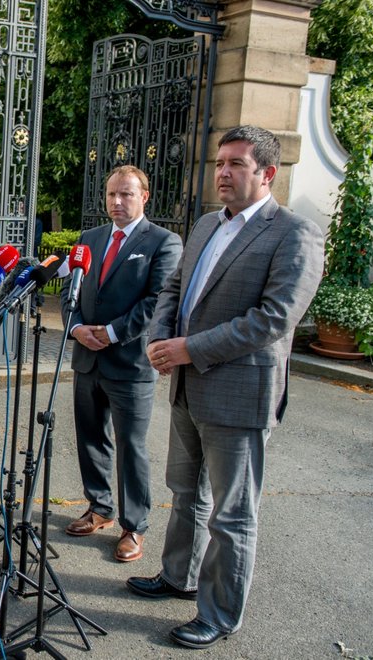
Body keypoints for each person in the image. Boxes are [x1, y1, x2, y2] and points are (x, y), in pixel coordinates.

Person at [127, 126, 324, 648]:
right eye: (219, 162)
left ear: (267, 173)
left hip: (239, 394)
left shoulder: (293, 233)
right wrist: (160, 338)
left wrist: (191, 348)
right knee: (185, 492)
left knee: (232, 511)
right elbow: (174, 288)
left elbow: (274, 318)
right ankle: (179, 576)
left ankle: (219, 614)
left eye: (236, 163)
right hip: (188, 387)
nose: (223, 172)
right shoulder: (207, 225)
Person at [60, 165, 182, 562]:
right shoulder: (89, 239)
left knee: (131, 447)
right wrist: (76, 327)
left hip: (130, 363)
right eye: (112, 194)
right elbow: (69, 291)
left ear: (144, 197)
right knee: (91, 438)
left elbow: (157, 300)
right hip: (86, 358)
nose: (116, 202)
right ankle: (99, 508)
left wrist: (111, 333)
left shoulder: (164, 242)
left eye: (126, 194)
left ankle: (134, 526)